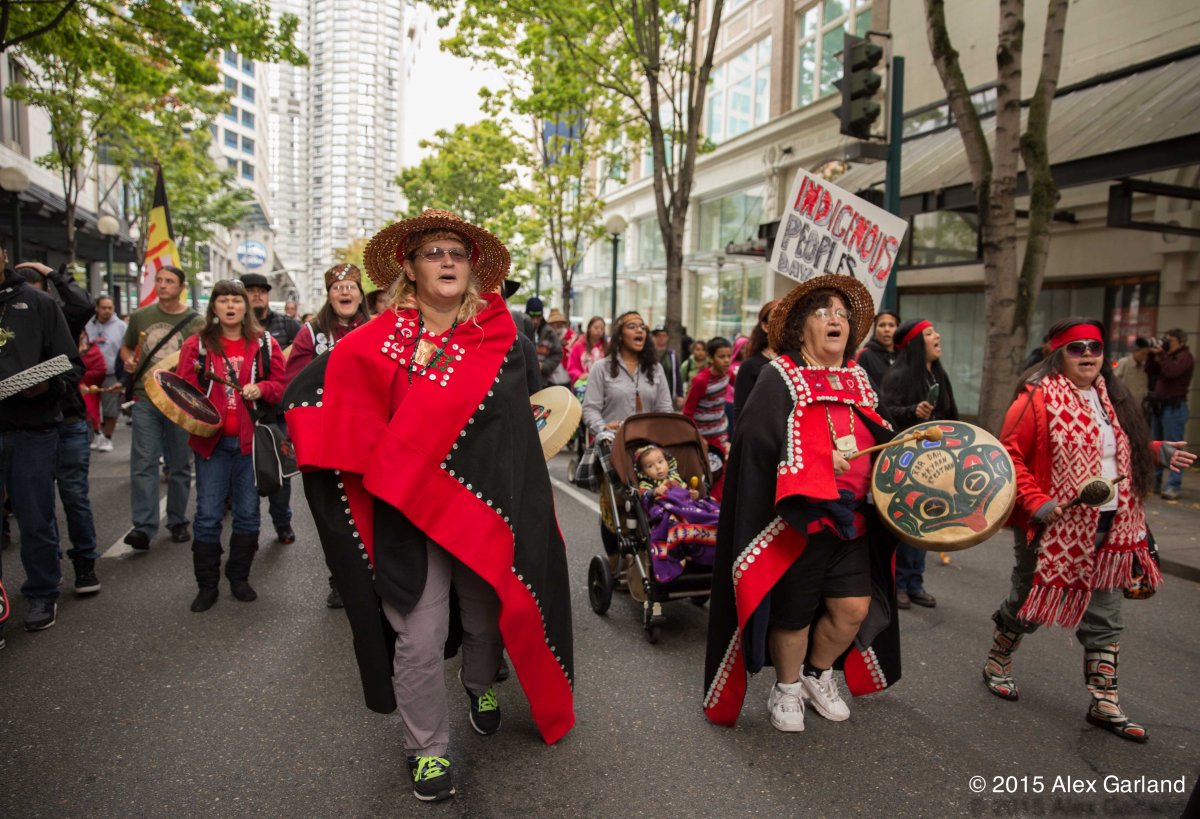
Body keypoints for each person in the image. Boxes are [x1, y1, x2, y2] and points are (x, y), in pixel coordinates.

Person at [284, 210, 574, 802]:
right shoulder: (374, 342)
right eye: (434, 252)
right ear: (410, 269)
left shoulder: (504, 342)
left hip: (480, 512)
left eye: (457, 253)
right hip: (406, 513)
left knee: (484, 617)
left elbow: (518, 432)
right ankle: (428, 750)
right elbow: (309, 396)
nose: (447, 261)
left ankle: (479, 685)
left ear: (471, 269)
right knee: (419, 634)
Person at [703, 274, 901, 734]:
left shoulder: (858, 377)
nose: (836, 320)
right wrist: (816, 460)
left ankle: (817, 674)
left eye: (842, 314)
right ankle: (786, 687)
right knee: (793, 614)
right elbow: (755, 443)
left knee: (853, 608)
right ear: (800, 327)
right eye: (824, 312)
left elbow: (879, 430)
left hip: (853, 519)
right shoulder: (779, 375)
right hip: (798, 522)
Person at [983, 317, 1194, 742]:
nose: (1087, 356)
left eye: (1094, 348)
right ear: (1058, 354)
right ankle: (997, 660)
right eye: (1076, 348)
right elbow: (1007, 455)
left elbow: (1117, 450)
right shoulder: (1035, 397)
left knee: (1106, 614)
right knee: (1029, 602)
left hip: (1114, 525)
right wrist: (1037, 502)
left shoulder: (1112, 396)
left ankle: (1104, 701)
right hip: (1051, 526)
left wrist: (1156, 450)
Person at [177, 279, 286, 612]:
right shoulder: (197, 345)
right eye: (223, 300)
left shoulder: (265, 343)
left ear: (245, 306)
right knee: (208, 515)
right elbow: (184, 391)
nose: (230, 306)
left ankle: (239, 577)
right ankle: (207, 585)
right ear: (214, 306)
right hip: (211, 445)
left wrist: (262, 389)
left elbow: (280, 385)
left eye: (236, 300)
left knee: (248, 515)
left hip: (250, 446)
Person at [0, 246, 85, 634]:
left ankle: (42, 592)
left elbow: (71, 366)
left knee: (34, 519)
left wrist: (46, 385)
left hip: (31, 430)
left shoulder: (38, 303)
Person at [282, 262, 371, 609]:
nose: (344, 292)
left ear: (360, 295)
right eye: (338, 287)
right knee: (333, 519)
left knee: (372, 513)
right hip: (325, 441)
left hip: (367, 439)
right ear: (329, 295)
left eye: (351, 287)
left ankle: (375, 578)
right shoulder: (310, 333)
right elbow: (294, 384)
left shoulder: (378, 328)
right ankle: (341, 580)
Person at [119, 265, 205, 550]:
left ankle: (177, 520)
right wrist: (129, 360)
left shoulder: (196, 322)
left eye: (169, 281)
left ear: (181, 287)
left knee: (179, 464)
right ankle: (143, 527)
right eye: (159, 280)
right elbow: (127, 347)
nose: (163, 285)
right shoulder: (140, 316)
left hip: (179, 401)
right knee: (143, 462)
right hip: (145, 398)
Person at [582, 310, 674, 564]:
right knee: (614, 506)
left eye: (642, 327)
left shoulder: (655, 369)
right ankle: (614, 560)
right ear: (620, 335)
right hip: (614, 448)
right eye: (632, 326)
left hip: (650, 450)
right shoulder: (602, 368)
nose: (640, 330)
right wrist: (603, 428)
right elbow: (590, 408)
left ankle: (650, 555)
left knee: (651, 499)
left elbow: (666, 409)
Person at [878, 318, 958, 609]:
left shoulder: (938, 373)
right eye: (929, 333)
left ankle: (915, 583)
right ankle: (899, 584)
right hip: (908, 462)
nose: (937, 336)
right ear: (914, 343)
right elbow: (885, 415)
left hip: (936, 460)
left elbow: (950, 413)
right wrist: (913, 411)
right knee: (909, 525)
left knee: (928, 521)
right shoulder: (897, 376)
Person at [242, 272, 301, 544]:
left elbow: (303, 362)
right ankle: (248, 529)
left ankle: (282, 522)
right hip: (245, 416)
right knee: (246, 473)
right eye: (250, 290)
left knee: (280, 471)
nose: (257, 295)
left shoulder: (287, 325)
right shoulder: (234, 328)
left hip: (277, 414)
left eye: (262, 290)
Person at [635, 444, 719, 584]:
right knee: (673, 522)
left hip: (688, 508)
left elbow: (685, 495)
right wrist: (654, 492)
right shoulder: (647, 484)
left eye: (660, 462)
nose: (658, 468)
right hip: (669, 510)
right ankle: (685, 547)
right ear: (643, 471)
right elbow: (645, 499)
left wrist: (693, 494)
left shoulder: (676, 478)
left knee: (713, 511)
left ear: (667, 461)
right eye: (650, 466)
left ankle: (711, 545)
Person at [681, 336, 733, 499]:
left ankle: (717, 510)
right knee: (702, 477)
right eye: (721, 356)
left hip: (720, 436)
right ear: (710, 358)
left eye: (728, 356)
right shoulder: (700, 381)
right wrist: (697, 436)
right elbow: (687, 412)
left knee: (720, 474)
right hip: (702, 439)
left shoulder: (728, 374)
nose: (726, 360)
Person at [1144, 328, 1193, 500]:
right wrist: (1152, 355)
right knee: (1157, 446)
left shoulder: (1184, 357)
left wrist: (1162, 355)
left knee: (1174, 448)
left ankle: (1174, 485)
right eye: (1165, 339)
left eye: (1169, 340)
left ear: (1180, 341)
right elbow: (1149, 370)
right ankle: (1154, 482)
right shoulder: (1166, 356)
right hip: (1159, 407)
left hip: (1174, 407)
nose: (1166, 343)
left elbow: (1172, 372)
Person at [84, 295, 127, 451]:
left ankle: (108, 438)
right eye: (103, 307)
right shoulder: (88, 325)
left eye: (110, 308)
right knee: (90, 407)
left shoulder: (121, 326)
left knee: (110, 409)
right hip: (90, 374)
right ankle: (97, 434)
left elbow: (126, 349)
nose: (107, 311)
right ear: (97, 308)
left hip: (111, 373)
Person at [732, 300, 780, 422]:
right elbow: (740, 411)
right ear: (765, 326)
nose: (783, 322)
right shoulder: (750, 365)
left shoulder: (800, 360)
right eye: (777, 317)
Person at [855, 310, 900, 389]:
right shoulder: (865, 355)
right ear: (875, 329)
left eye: (891, 325)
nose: (887, 329)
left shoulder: (904, 354)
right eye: (882, 325)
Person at [525, 297, 563, 386]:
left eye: (538, 317)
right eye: (532, 317)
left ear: (542, 316)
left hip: (542, 382)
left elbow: (558, 354)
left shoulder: (550, 333)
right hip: (523, 381)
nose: (535, 321)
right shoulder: (520, 330)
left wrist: (544, 366)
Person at [1113, 337, 1151, 416]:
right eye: (1143, 354)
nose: (1145, 357)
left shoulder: (1144, 367)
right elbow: (1114, 382)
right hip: (1124, 406)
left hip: (1139, 406)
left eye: (1147, 354)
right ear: (1135, 351)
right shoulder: (1124, 362)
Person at [566, 316, 607, 385]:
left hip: (602, 384)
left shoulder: (607, 346)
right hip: (584, 384)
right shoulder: (578, 345)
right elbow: (571, 367)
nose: (599, 331)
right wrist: (580, 375)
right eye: (596, 328)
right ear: (589, 328)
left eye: (602, 329)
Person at [651, 324, 683, 404]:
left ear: (667, 337)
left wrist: (680, 394)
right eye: (658, 335)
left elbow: (676, 374)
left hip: (667, 394)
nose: (661, 338)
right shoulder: (648, 354)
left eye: (664, 336)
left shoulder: (672, 355)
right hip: (651, 394)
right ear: (653, 337)